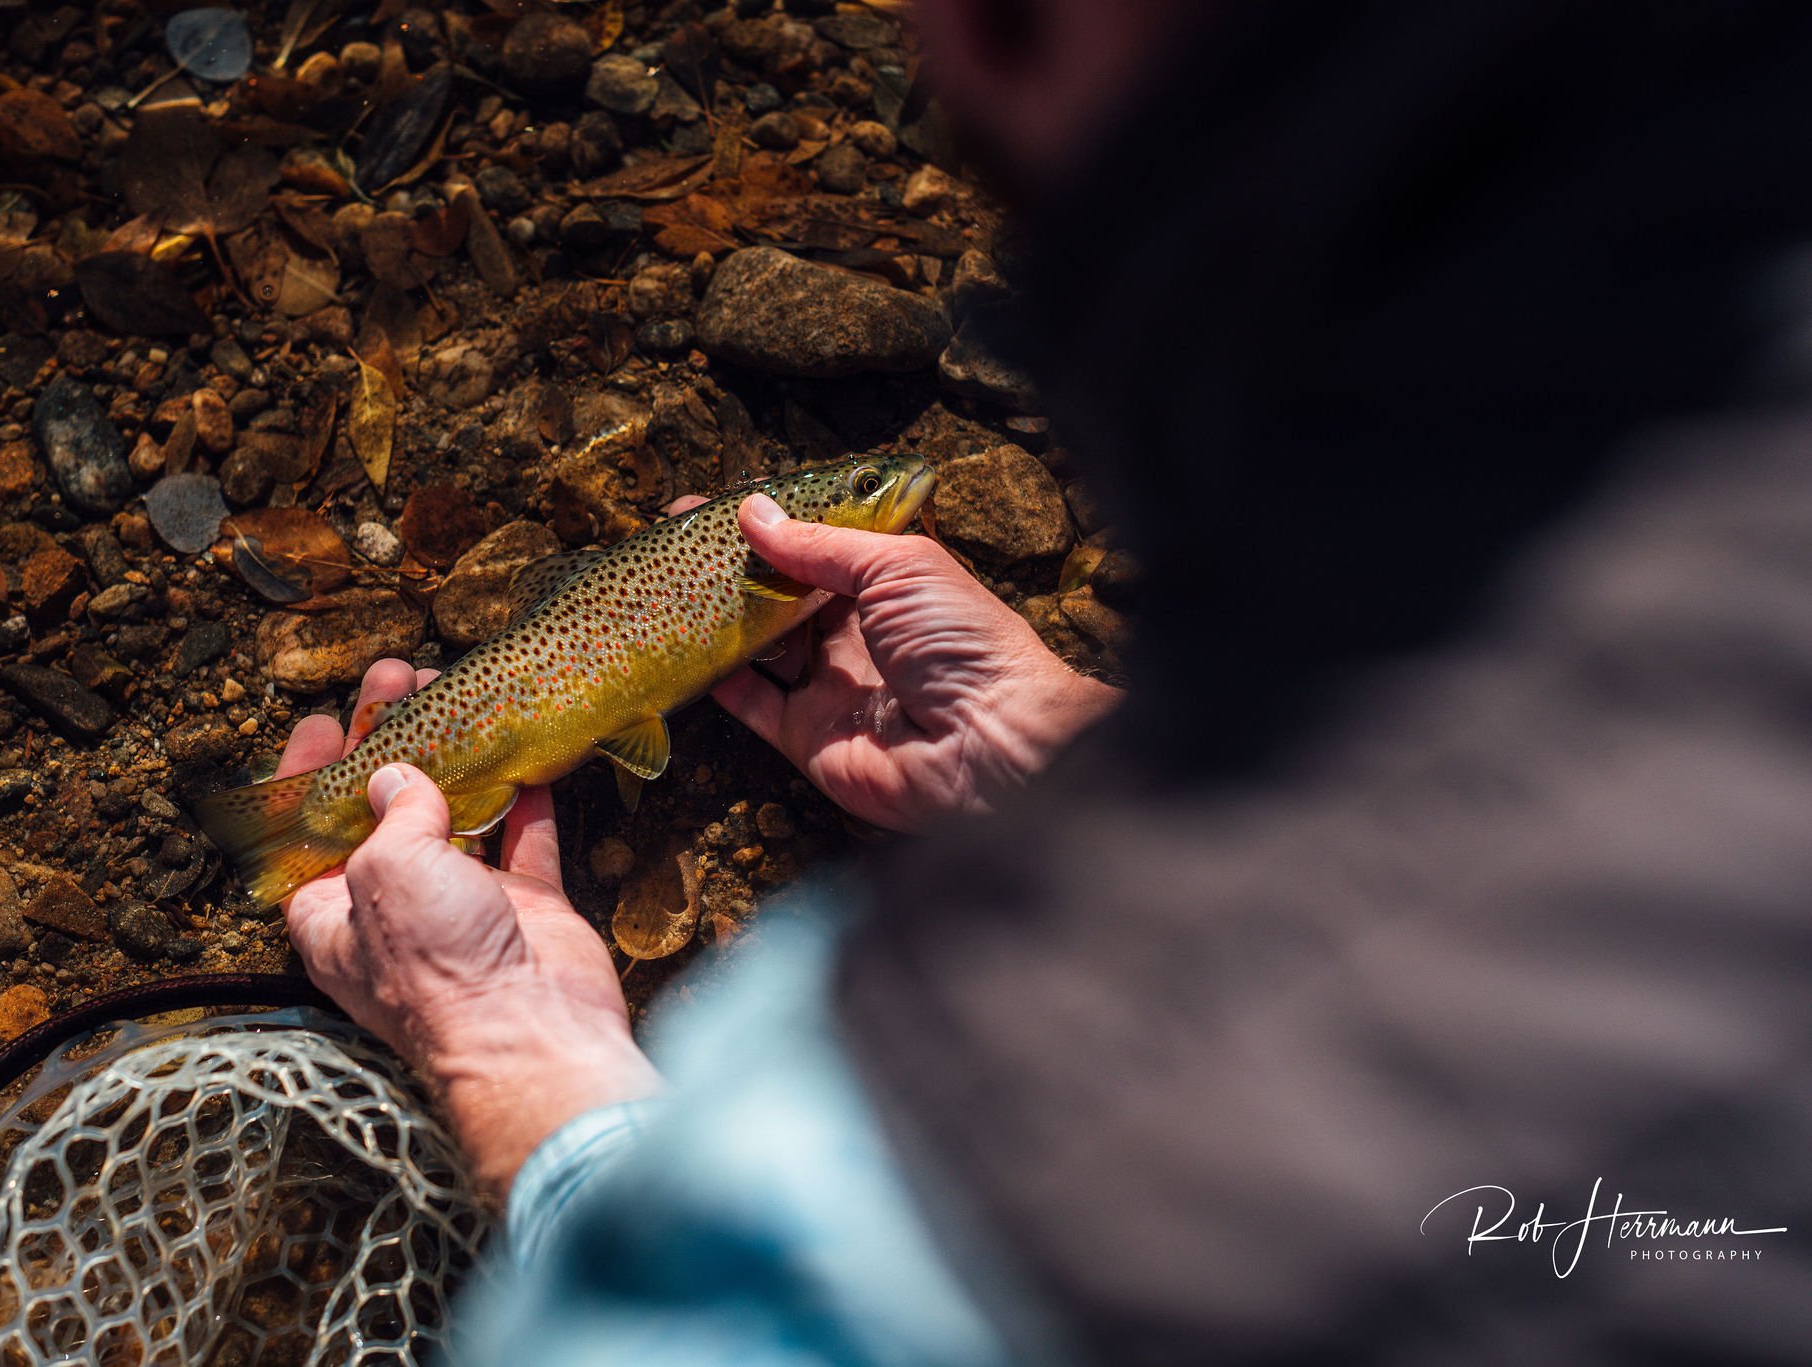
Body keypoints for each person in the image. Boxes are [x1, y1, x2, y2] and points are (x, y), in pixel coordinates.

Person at [284, 0, 1812, 1362]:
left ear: (998, 41)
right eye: (880, 483)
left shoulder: (961, 1146)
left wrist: (508, 1044)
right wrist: (1054, 742)